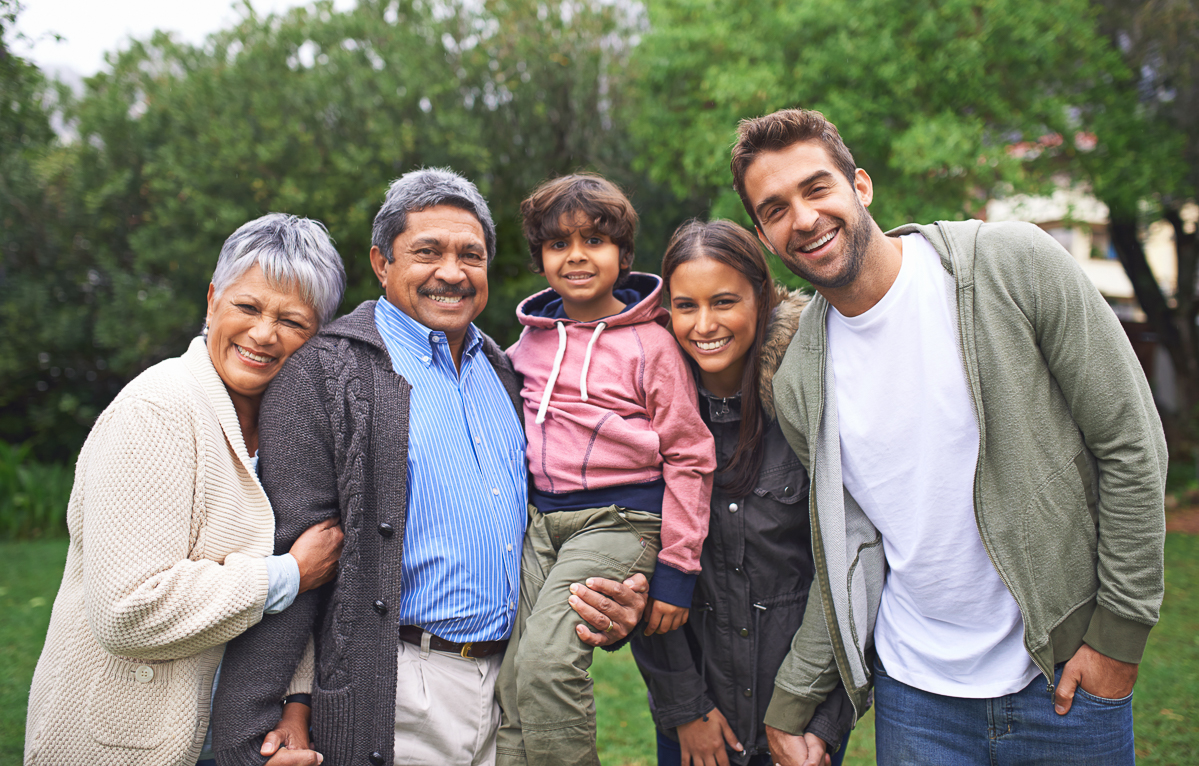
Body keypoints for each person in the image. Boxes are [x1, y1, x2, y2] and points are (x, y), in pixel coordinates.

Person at [728, 108, 1168, 766]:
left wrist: (1118, 636)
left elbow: (1131, 447)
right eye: (774, 209)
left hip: (1062, 683)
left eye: (816, 188)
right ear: (764, 236)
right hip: (916, 703)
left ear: (860, 186)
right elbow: (850, 549)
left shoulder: (1009, 265)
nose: (803, 218)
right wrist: (795, 696)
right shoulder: (799, 382)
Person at [211, 168, 652, 766]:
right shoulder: (324, 375)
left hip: (509, 691)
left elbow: (558, 529)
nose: (452, 271)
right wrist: (252, 734)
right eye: (428, 252)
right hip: (395, 693)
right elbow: (292, 558)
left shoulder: (505, 371)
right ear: (381, 263)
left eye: (471, 254)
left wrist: (614, 607)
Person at [23, 214, 348, 766]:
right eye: (248, 307)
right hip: (123, 741)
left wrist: (295, 701)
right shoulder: (156, 412)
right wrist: (288, 573)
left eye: (292, 320)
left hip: (234, 733)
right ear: (212, 300)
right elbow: (128, 610)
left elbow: (291, 595)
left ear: (317, 338)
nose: (265, 333)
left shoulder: (286, 428)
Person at [495, 174, 716, 766]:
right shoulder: (525, 347)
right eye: (558, 244)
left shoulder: (652, 344)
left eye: (594, 241)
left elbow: (690, 456)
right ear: (540, 259)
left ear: (622, 255)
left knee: (548, 663)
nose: (576, 256)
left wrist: (677, 568)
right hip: (544, 527)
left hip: (620, 520)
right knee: (514, 676)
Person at [631, 219, 855, 766]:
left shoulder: (814, 406)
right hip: (697, 728)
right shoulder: (644, 423)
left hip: (801, 727)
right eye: (686, 306)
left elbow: (855, 572)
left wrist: (822, 722)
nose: (704, 324)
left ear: (762, 297)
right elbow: (635, 566)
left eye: (724, 301)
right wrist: (686, 711)